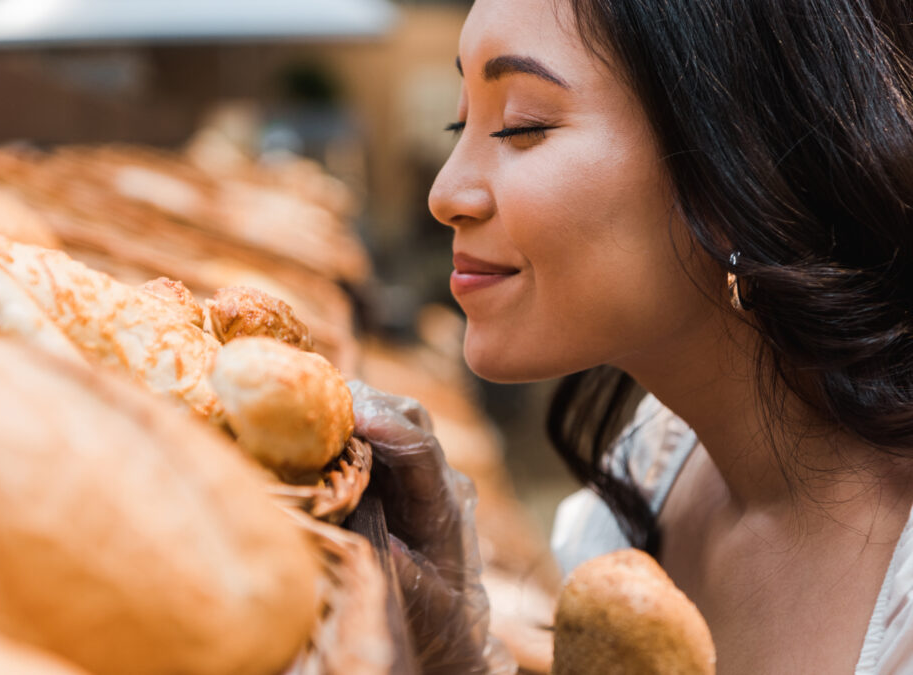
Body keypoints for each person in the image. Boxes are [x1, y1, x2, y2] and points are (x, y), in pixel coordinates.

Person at [350, 0, 913, 672]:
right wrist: (451, 643)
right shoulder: (649, 467)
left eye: (521, 126)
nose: (445, 192)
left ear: (740, 167)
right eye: (460, 119)